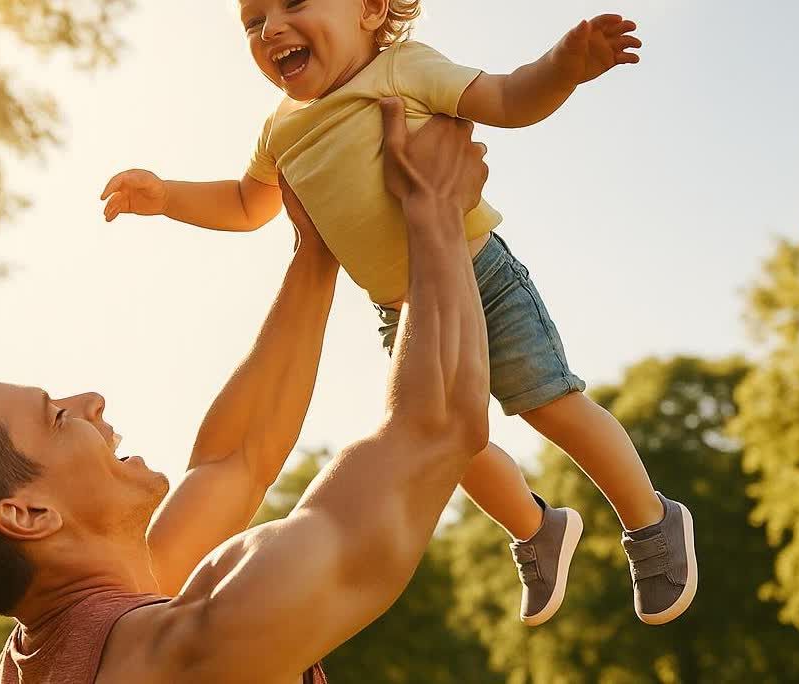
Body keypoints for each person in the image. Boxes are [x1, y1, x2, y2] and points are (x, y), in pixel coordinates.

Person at [0, 101, 496, 682]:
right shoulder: (188, 650)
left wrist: (316, 253)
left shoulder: (42, 654)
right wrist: (433, 210)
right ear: (29, 515)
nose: (90, 400)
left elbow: (236, 459)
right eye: (55, 417)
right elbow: (436, 430)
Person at [97, 1, 694, 626]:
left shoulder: (402, 70)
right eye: (253, 21)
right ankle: (538, 529)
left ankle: (650, 521)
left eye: (295, 2)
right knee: (443, 445)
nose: (271, 28)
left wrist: (564, 67)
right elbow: (249, 204)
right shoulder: (280, 130)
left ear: (371, 9)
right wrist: (167, 197)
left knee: (548, 401)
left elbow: (510, 99)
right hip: (403, 311)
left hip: (479, 274)